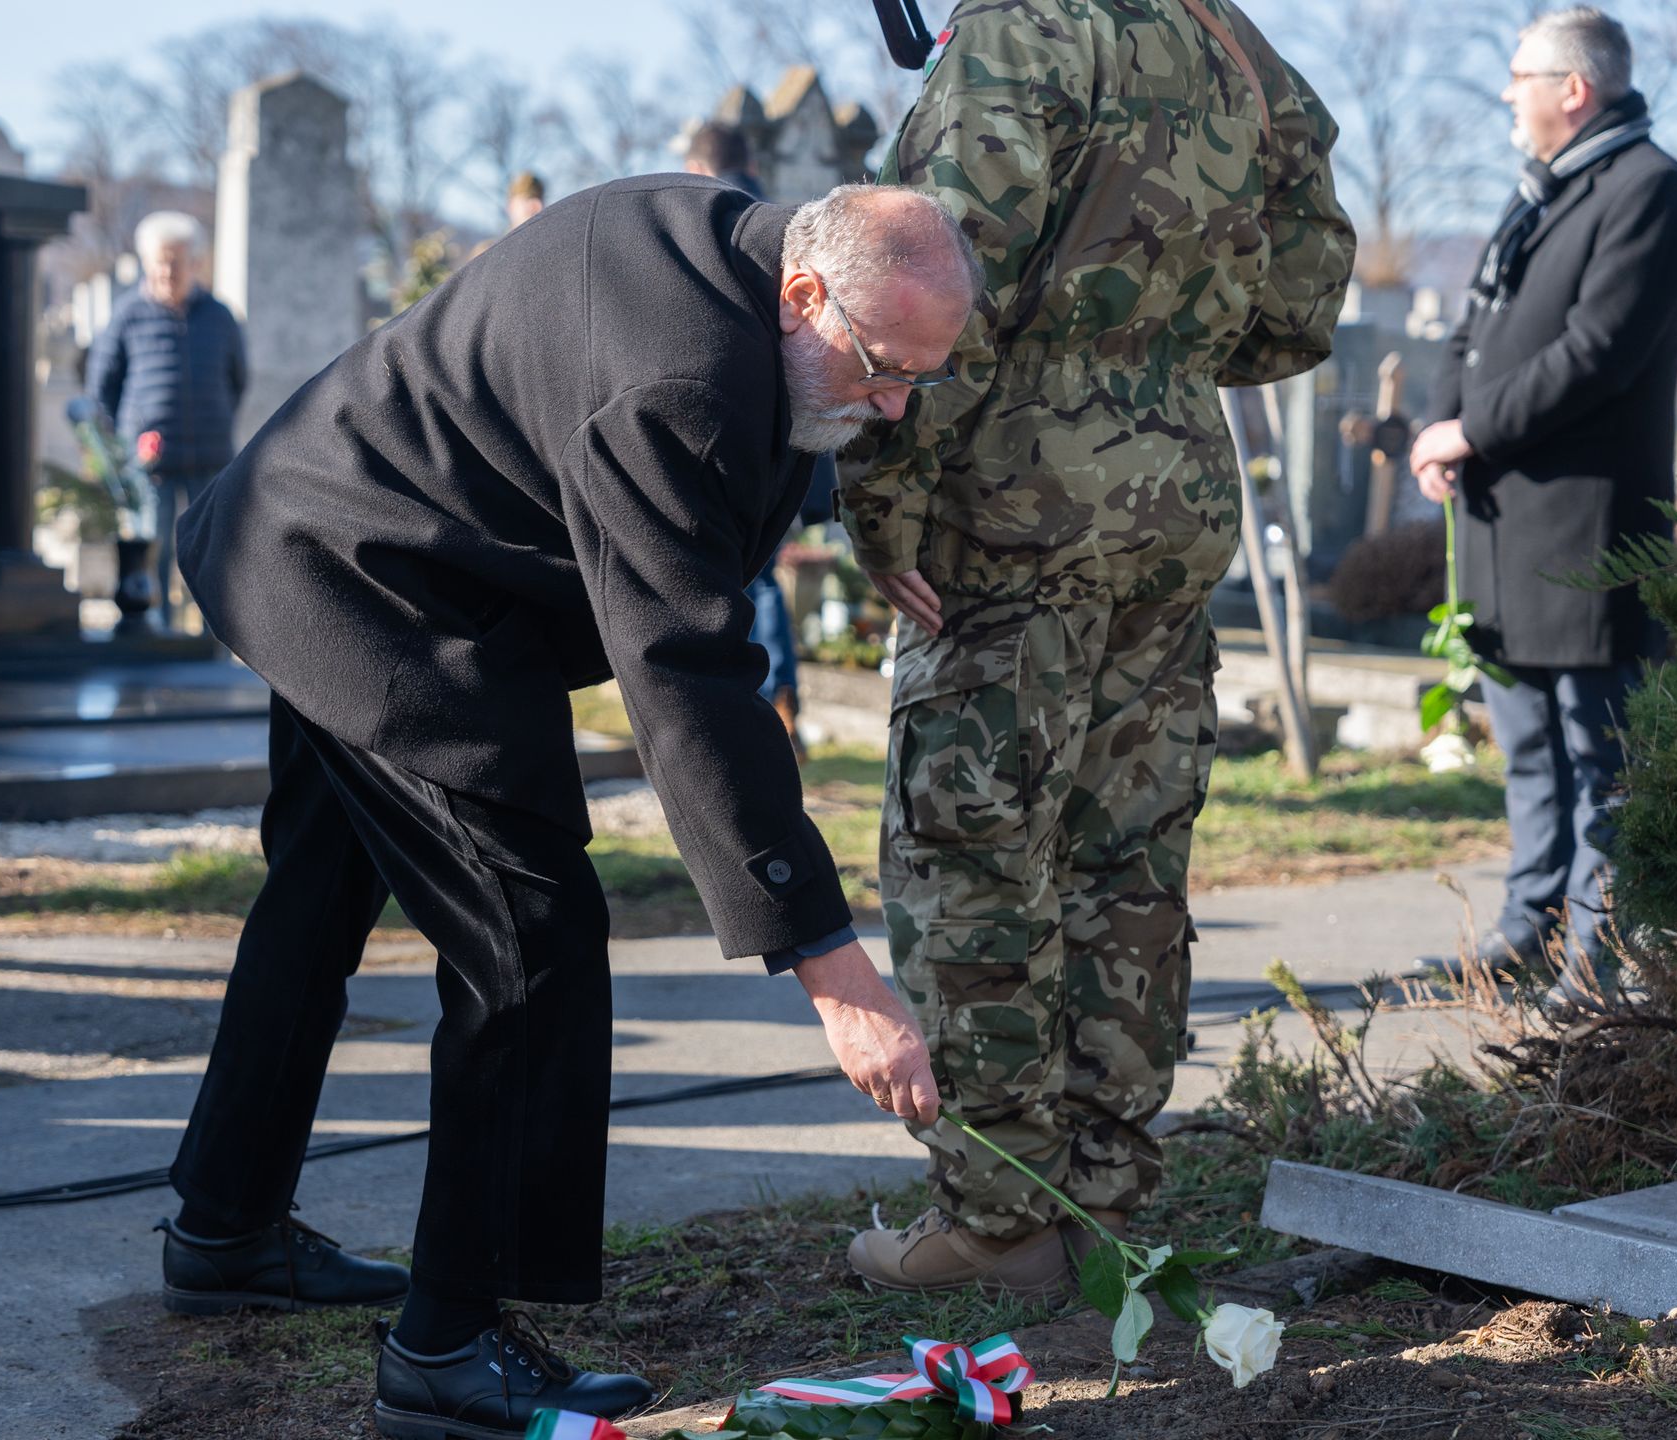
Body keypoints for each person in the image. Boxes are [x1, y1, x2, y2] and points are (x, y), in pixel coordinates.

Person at [165, 178, 976, 1434]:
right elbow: (687, 674)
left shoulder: (742, 253)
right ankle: (448, 1349)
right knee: (529, 941)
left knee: (320, 894)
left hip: (312, 525)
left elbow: (783, 431)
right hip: (371, 583)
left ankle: (224, 1227)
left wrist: (868, 490)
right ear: (805, 292)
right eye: (881, 370)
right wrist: (828, 961)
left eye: (924, 378)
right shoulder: (682, 379)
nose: (894, 407)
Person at [839, 0, 1354, 1295]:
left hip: (1011, 509)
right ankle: (1109, 1199)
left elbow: (932, 270)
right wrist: (1154, 358)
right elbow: (1302, 299)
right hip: (1169, 507)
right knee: (1123, 862)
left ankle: (1000, 1227)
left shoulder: (1023, 32)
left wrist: (880, 502)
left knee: (976, 860)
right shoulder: (1225, 36)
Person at [1410, 6, 1677, 1011]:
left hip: (1584, 527)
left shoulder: (1649, 189)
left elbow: (1597, 352)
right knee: (1529, 747)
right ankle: (1526, 927)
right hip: (1503, 522)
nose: (1508, 94)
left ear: (1573, 88)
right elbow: (1479, 325)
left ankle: (1595, 951)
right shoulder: (1544, 190)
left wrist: (1473, 430)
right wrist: (1436, 426)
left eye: (1519, 76)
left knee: (1596, 753)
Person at [683, 121, 836, 756]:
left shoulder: (711, 226)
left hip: (734, 445)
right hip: (798, 449)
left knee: (748, 583)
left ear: (697, 168)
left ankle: (760, 713)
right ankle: (781, 707)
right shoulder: (787, 223)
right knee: (763, 581)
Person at [85, 211, 247, 631]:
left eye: (175, 261)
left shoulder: (219, 315)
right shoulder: (128, 315)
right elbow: (102, 386)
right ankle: (153, 630)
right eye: (158, 260)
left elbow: (237, 379)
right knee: (150, 549)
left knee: (212, 552)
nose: (166, 271)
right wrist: (127, 441)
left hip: (210, 456)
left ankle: (215, 635)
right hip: (150, 461)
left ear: (195, 263)